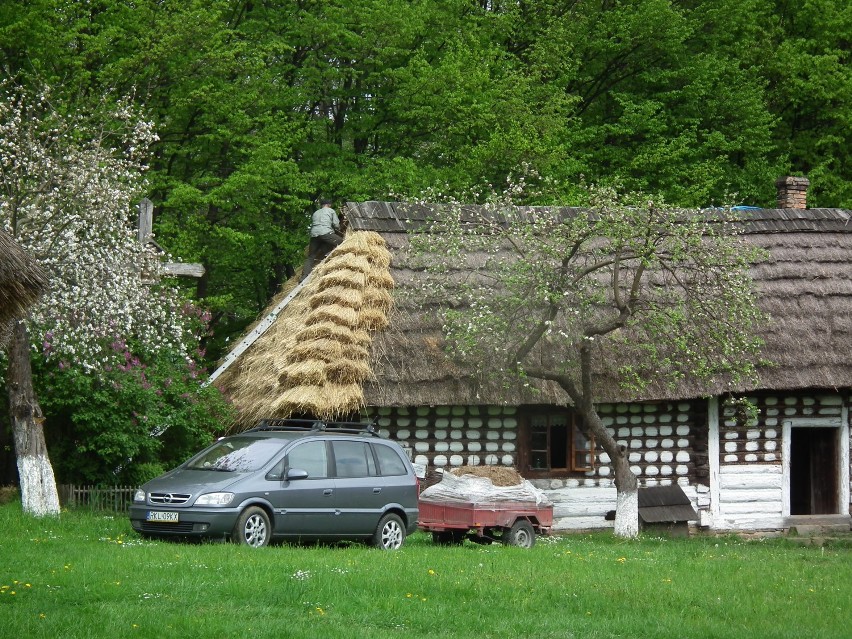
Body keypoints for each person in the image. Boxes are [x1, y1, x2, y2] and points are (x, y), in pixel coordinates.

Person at [301, 199, 343, 280]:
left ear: (321, 205)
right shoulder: (331, 211)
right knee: (341, 242)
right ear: (329, 205)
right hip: (326, 233)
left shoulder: (316, 213)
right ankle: (329, 254)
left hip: (314, 235)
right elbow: (336, 224)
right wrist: (339, 229)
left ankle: (303, 276)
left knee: (311, 256)